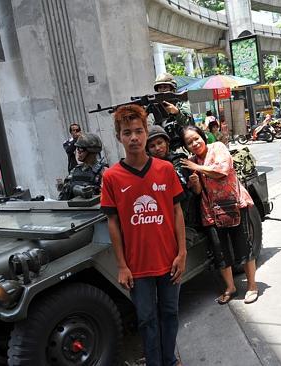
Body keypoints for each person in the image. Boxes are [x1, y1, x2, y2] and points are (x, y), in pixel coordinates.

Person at [100, 104, 186, 366]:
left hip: (170, 261)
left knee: (170, 314)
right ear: (119, 137)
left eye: (138, 131)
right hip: (137, 268)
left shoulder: (165, 169)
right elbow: (112, 223)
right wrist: (122, 265)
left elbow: (176, 212)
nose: (134, 137)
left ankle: (169, 360)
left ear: (146, 132)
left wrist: (182, 253)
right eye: (127, 133)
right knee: (147, 319)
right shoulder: (111, 177)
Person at [180, 126, 259, 305]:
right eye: (189, 142)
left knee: (243, 247)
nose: (194, 143)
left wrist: (197, 167)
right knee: (220, 253)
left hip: (235, 205)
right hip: (211, 211)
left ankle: (252, 286)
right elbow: (200, 191)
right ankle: (230, 287)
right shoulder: (192, 162)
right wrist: (194, 183)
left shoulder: (217, 147)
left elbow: (221, 171)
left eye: (196, 138)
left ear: (203, 137)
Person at [146, 124, 202, 229]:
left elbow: (197, 191)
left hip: (191, 219)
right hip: (165, 221)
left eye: (160, 143)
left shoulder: (181, 161)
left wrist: (195, 182)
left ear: (167, 143)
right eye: (152, 146)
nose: (157, 148)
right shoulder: (147, 169)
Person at [58, 133, 107, 201]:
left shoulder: (103, 172)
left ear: (91, 150)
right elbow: (63, 196)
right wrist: (74, 189)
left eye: (81, 149)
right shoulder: (75, 170)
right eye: (77, 148)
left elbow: (108, 197)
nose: (78, 151)